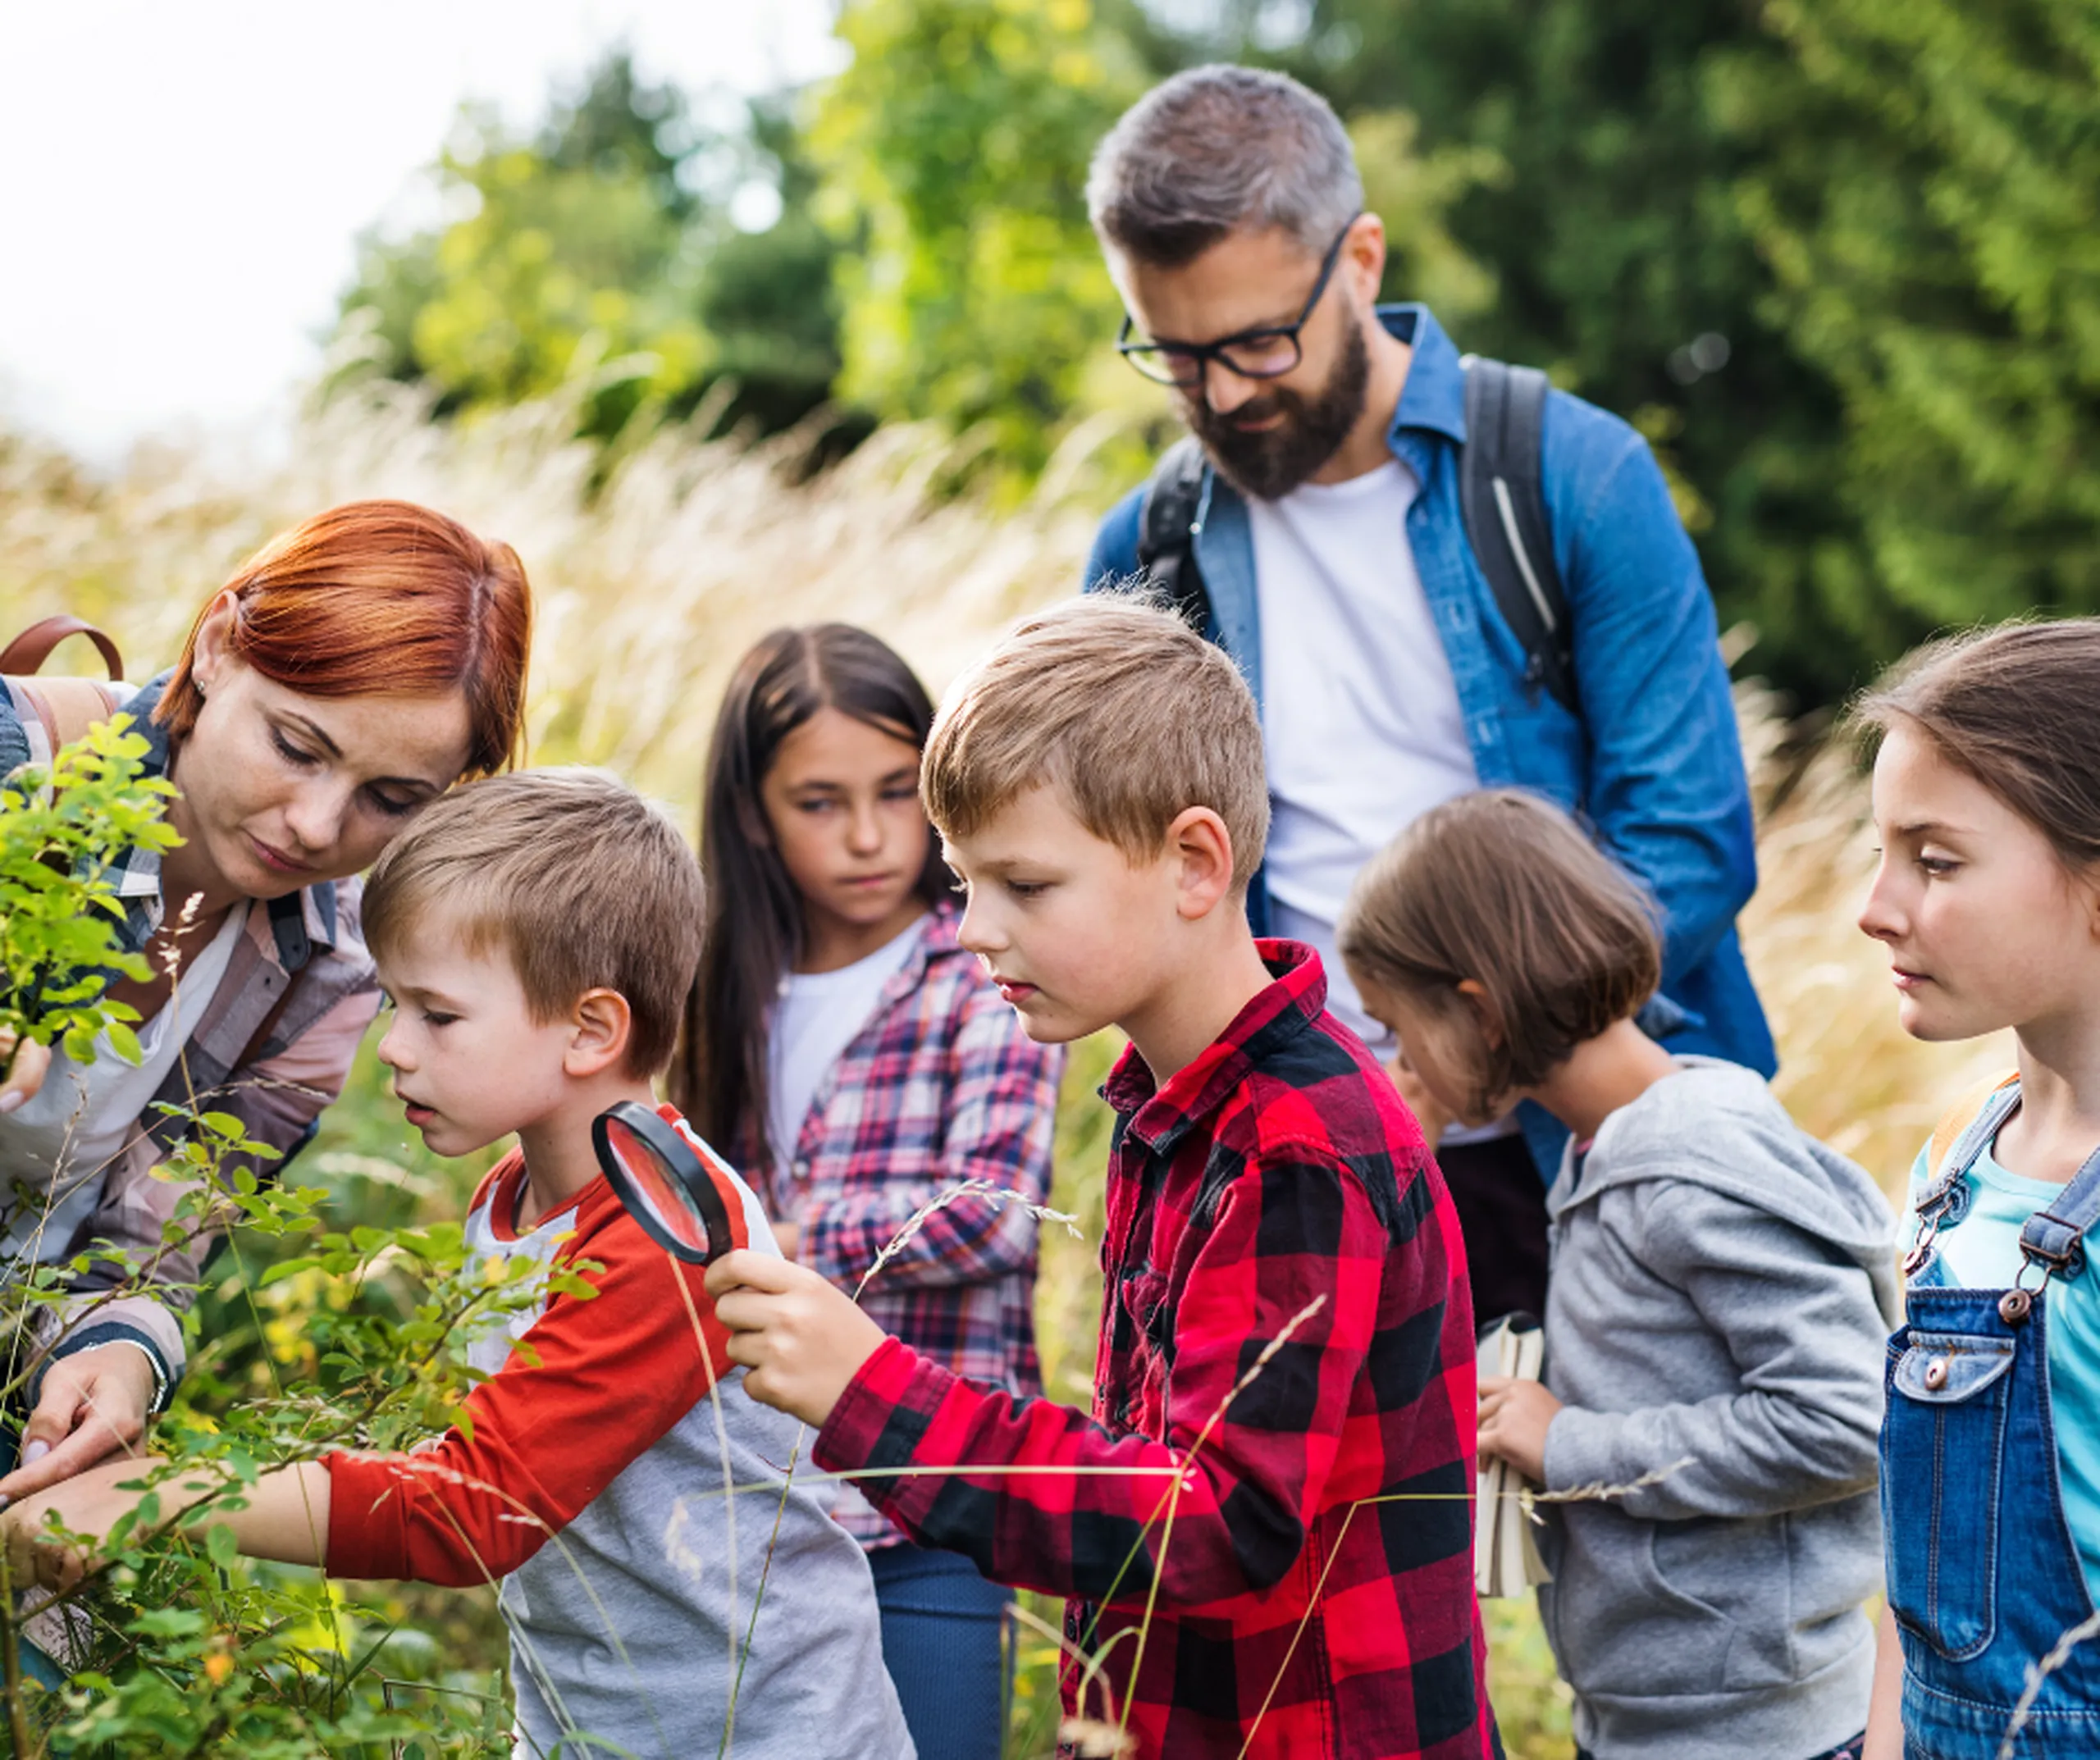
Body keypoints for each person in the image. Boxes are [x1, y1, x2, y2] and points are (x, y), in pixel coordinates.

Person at [705, 597, 1499, 1760]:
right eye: (968, 881)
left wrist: (871, 1392)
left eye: (1025, 886)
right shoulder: (1170, 1107)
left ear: (1191, 861)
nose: (975, 929)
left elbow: (1214, 1518)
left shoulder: (1297, 1147)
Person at [3, 768, 914, 1760]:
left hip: (764, 1736)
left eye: (437, 1014)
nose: (393, 1047)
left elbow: (479, 1509)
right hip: (588, 1723)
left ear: (591, 1029)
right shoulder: (513, 1195)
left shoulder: (664, 1229)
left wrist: (162, 1495)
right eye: (392, 1002)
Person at [1080, 65, 1773, 1324]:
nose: (1223, 394)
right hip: (1295, 1166)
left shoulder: (1572, 475)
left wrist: (1452, 1064)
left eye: (1256, 343)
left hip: (1591, 1156)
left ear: (1360, 258)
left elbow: (1690, 842)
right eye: (1175, 358)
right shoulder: (1146, 550)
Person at [1337, 789, 1892, 1760]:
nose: (1399, 1060)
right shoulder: (1603, 1157)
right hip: (1652, 1716)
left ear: (1479, 1011)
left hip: (1756, 1733)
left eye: (1396, 1027)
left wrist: (1575, 1442)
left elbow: (1847, 1417)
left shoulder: (1688, 1172)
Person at [0, 499, 531, 1506]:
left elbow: (154, 1246)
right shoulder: (16, 772)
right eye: (297, 745)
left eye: (392, 798)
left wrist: (120, 1352)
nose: (318, 825)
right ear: (213, 649)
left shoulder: (330, 962)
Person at [674, 623, 1062, 1760]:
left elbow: (997, 1210)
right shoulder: (717, 983)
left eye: (900, 793)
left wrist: (786, 1240)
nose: (868, 836)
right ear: (752, 812)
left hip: (928, 1498)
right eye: (820, 802)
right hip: (757, 1503)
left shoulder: (984, 964)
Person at [1856, 622, 2100, 1760]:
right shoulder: (1955, 1163)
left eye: (1935, 861)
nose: (1875, 906)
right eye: (1879, 853)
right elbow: (1922, 1582)